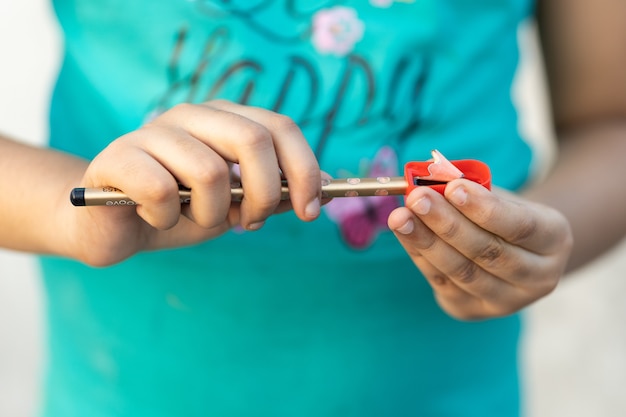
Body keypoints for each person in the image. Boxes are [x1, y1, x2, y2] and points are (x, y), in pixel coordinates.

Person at [1, 0, 625, 416]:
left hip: (449, 392)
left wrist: (535, 236)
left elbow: (611, 123)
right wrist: (67, 208)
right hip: (122, 388)